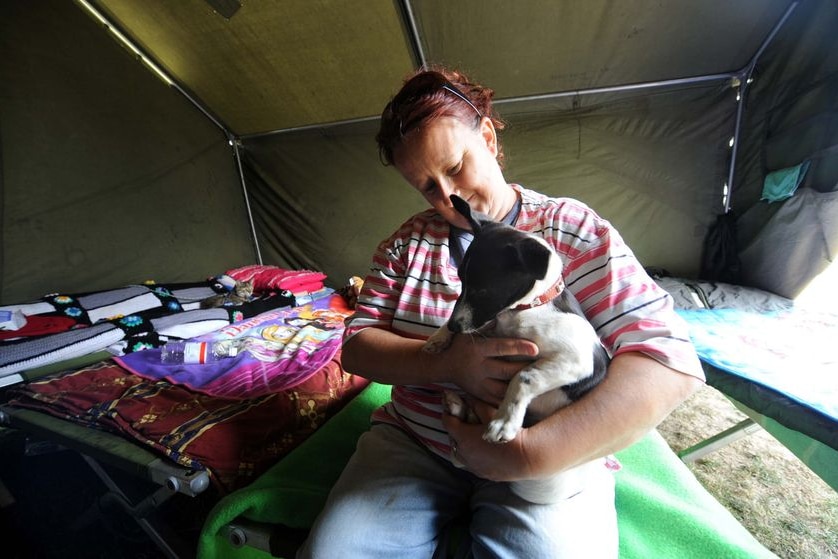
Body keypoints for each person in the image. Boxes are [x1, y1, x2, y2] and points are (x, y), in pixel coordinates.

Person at [297, 66, 704, 558]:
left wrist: (534, 455)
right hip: (418, 445)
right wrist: (445, 364)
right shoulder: (406, 246)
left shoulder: (570, 230)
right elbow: (356, 347)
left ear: (487, 137)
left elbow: (668, 363)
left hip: (549, 457)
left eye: (454, 166)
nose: (448, 196)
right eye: (427, 186)